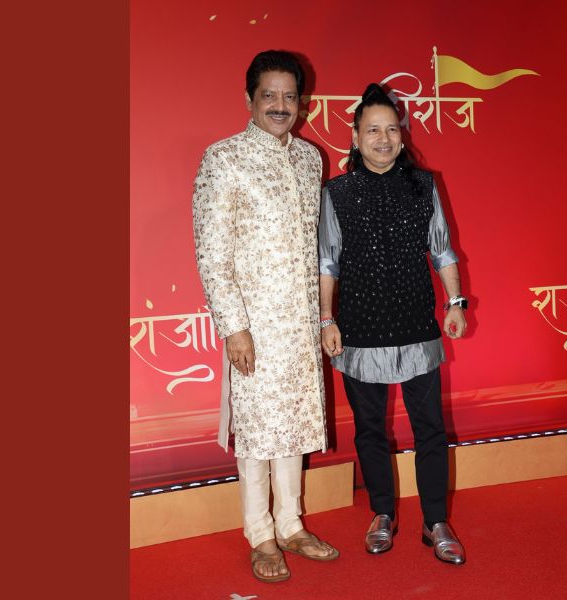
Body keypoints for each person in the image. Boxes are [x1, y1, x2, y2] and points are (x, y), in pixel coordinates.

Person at [192, 50, 338, 584]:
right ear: (249, 99)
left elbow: (316, 247)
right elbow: (213, 253)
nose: (280, 105)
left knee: (294, 425)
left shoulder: (310, 159)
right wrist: (234, 328)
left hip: (300, 325)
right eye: (269, 95)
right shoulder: (224, 158)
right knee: (257, 431)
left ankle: (292, 524)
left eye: (289, 96)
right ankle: (260, 533)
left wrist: (322, 318)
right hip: (253, 326)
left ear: (302, 102)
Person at [318, 83, 468, 565]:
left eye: (391, 130)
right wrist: (326, 319)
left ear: (402, 136)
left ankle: (435, 521)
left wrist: (455, 303)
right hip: (359, 328)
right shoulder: (337, 193)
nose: (383, 139)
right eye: (372, 130)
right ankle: (382, 512)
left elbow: (442, 249)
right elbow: (327, 262)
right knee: (369, 430)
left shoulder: (424, 185)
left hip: (415, 325)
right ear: (355, 137)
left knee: (430, 428)